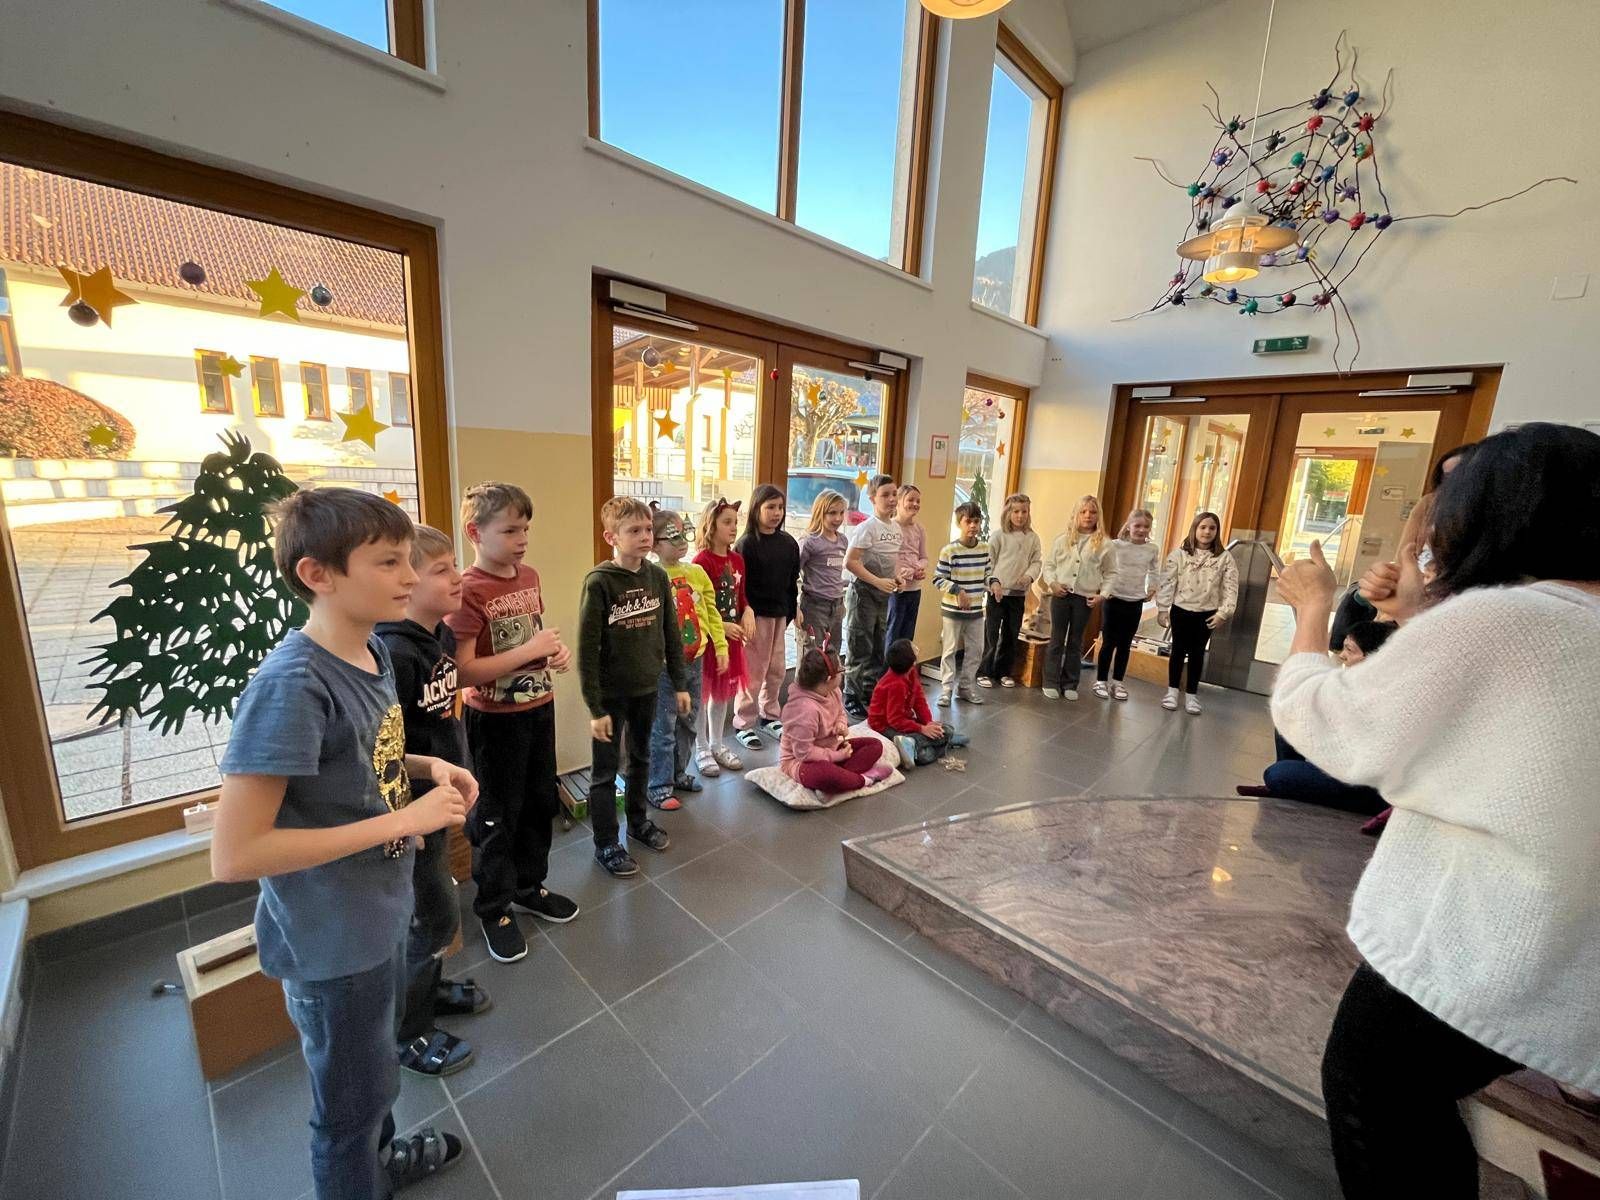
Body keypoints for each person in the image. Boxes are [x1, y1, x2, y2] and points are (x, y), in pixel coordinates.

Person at [1271, 423, 1600, 1198]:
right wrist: (1416, 611)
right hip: (1567, 937)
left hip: (1489, 935)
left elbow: (1328, 723)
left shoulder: (1514, 616)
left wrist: (1313, 607)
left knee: (1376, 1089)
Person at [212, 488, 479, 1199]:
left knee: (374, 1079)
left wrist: (427, 766)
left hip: (378, 911)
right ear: (317, 574)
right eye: (388, 562)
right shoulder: (292, 686)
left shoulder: (371, 650)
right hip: (332, 942)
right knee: (348, 1113)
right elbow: (236, 854)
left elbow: (365, 755)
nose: (408, 576)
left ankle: (379, 1162)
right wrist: (405, 822)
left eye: (409, 559)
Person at [375, 524, 493, 1082]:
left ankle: (427, 988)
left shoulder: (438, 635)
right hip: (411, 812)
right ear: (408, 583)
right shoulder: (394, 654)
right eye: (442, 569)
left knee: (435, 906)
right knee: (435, 913)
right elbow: (385, 749)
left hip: (437, 797)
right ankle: (408, 1030)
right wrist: (405, 817)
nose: (458, 576)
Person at [445, 482, 578, 966]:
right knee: (497, 815)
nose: (522, 539)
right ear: (475, 532)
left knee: (540, 802)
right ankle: (494, 908)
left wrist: (554, 653)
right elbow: (462, 672)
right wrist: (530, 651)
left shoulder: (529, 576)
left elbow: (532, 641)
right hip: (494, 721)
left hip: (538, 708)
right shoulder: (467, 591)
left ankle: (527, 886)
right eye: (510, 531)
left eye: (525, 529)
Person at [580, 497, 691, 878]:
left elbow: (671, 632)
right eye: (635, 531)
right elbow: (587, 649)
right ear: (611, 537)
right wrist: (595, 708)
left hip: (648, 688)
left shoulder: (657, 577)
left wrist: (679, 683)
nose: (645, 536)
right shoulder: (600, 582)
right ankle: (606, 842)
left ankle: (638, 821)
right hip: (610, 696)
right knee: (605, 771)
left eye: (647, 530)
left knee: (641, 758)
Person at [1236, 620, 1394, 814]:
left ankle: (1285, 785)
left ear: (1372, 658)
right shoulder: (1357, 682)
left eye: (1350, 650)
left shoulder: (1385, 696)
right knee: (1288, 721)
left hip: (1365, 783)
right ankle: (1286, 785)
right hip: (1344, 760)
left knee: (1277, 775)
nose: (1342, 655)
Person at [647, 506, 726, 809]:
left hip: (695, 660)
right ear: (655, 545)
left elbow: (711, 612)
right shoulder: (652, 576)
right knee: (663, 727)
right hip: (665, 666)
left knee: (689, 722)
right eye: (673, 536)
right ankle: (659, 784)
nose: (682, 542)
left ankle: (678, 773)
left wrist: (720, 647)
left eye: (685, 534)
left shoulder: (696, 572)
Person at [732, 483, 799, 749]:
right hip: (755, 618)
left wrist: (793, 609)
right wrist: (744, 615)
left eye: (780, 507)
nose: (776, 513)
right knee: (752, 672)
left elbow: (792, 581)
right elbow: (740, 587)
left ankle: (769, 714)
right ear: (756, 509)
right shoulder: (746, 544)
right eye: (770, 507)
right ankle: (743, 722)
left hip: (780, 616)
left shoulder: (789, 543)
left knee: (776, 669)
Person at [779, 647, 894, 794]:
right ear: (829, 679)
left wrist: (840, 724)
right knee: (825, 774)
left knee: (874, 745)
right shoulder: (804, 710)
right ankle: (863, 779)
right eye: (841, 670)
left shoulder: (833, 691)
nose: (842, 672)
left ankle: (842, 778)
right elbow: (804, 753)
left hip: (831, 750)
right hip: (801, 762)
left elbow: (840, 713)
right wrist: (837, 756)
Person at [1155, 510, 1238, 715]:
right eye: (1203, 527)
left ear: (1217, 531)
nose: (1207, 532)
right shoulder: (1179, 555)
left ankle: (1191, 694)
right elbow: (1167, 581)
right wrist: (1163, 608)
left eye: (1212, 528)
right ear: (1194, 529)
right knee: (1178, 650)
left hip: (1206, 613)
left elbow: (1231, 586)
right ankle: (1172, 692)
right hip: (1181, 610)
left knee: (1197, 653)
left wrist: (1223, 613)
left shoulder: (1224, 558)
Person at [694, 497, 753, 773]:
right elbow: (697, 607)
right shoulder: (701, 562)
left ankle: (717, 743)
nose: (733, 527)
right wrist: (721, 627)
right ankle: (701, 747)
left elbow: (741, 597)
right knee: (703, 694)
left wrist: (748, 611)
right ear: (711, 525)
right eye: (727, 522)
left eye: (735, 522)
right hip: (709, 642)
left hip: (731, 642)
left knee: (721, 695)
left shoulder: (737, 560)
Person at [1041, 495, 1111, 701]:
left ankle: (1070, 682)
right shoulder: (1062, 540)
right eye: (1083, 511)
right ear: (1076, 514)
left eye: (1093, 512)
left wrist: (1102, 595)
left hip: (1084, 599)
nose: (1088, 516)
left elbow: (1111, 573)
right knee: (1057, 638)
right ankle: (1050, 681)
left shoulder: (1105, 544)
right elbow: (1049, 566)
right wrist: (1053, 583)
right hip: (1061, 596)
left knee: (1075, 640)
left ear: (1098, 516)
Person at [843, 474, 902, 718]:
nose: (891, 499)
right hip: (864, 593)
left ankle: (869, 690)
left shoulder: (895, 528)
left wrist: (896, 577)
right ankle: (851, 695)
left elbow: (890, 561)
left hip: (883, 596)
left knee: (878, 645)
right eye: (885, 495)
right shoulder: (867, 528)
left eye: (894, 494)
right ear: (872, 499)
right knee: (860, 645)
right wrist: (877, 581)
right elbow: (851, 562)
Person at [868, 637, 969, 767]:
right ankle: (937, 743)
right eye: (913, 648)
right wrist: (921, 729)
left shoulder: (910, 672)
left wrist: (928, 723)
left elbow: (919, 701)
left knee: (947, 730)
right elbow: (895, 720)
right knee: (925, 756)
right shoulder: (896, 685)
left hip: (903, 720)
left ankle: (936, 740)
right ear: (912, 662)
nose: (916, 648)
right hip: (884, 726)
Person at [1093, 508, 1159, 701]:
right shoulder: (1115, 545)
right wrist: (1103, 588)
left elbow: (1154, 571)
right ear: (1129, 526)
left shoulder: (1151, 549)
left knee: (1125, 644)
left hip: (1135, 601)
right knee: (1109, 642)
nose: (1141, 530)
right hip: (1114, 598)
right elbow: (1102, 566)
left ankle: (1118, 682)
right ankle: (1101, 681)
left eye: (1146, 526)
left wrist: (1152, 588)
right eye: (1137, 526)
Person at [976, 492, 1042, 689]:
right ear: (1008, 512)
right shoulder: (998, 536)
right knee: (991, 634)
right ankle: (984, 671)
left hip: (1017, 595)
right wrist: (993, 583)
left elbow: (1036, 562)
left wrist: (1029, 576)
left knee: (1011, 634)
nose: (1020, 516)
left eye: (1024, 512)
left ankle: (1003, 671)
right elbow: (988, 564)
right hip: (997, 594)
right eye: (1016, 511)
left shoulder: (1033, 538)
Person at [933, 501, 992, 707]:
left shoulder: (984, 549)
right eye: (968, 521)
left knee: (976, 650)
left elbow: (987, 574)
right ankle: (946, 690)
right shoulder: (949, 550)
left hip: (976, 611)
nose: (973, 526)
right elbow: (938, 579)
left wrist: (994, 583)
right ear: (960, 523)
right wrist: (958, 590)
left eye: (976, 521)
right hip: (952, 611)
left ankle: (965, 687)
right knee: (949, 650)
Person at [797, 488, 849, 654]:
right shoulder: (809, 541)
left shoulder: (843, 540)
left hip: (837, 605)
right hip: (815, 606)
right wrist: (795, 607)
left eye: (841, 513)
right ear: (820, 513)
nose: (838, 518)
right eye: (832, 513)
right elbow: (792, 572)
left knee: (833, 653)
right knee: (812, 655)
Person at [885, 483, 928, 646]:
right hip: (897, 590)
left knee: (907, 635)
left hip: (915, 590)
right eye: (910, 500)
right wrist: (910, 573)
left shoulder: (919, 529)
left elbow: (924, 557)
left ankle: (904, 662)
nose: (915, 504)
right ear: (898, 502)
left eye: (918, 501)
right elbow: (891, 561)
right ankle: (888, 663)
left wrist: (920, 568)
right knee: (892, 632)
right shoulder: (890, 527)